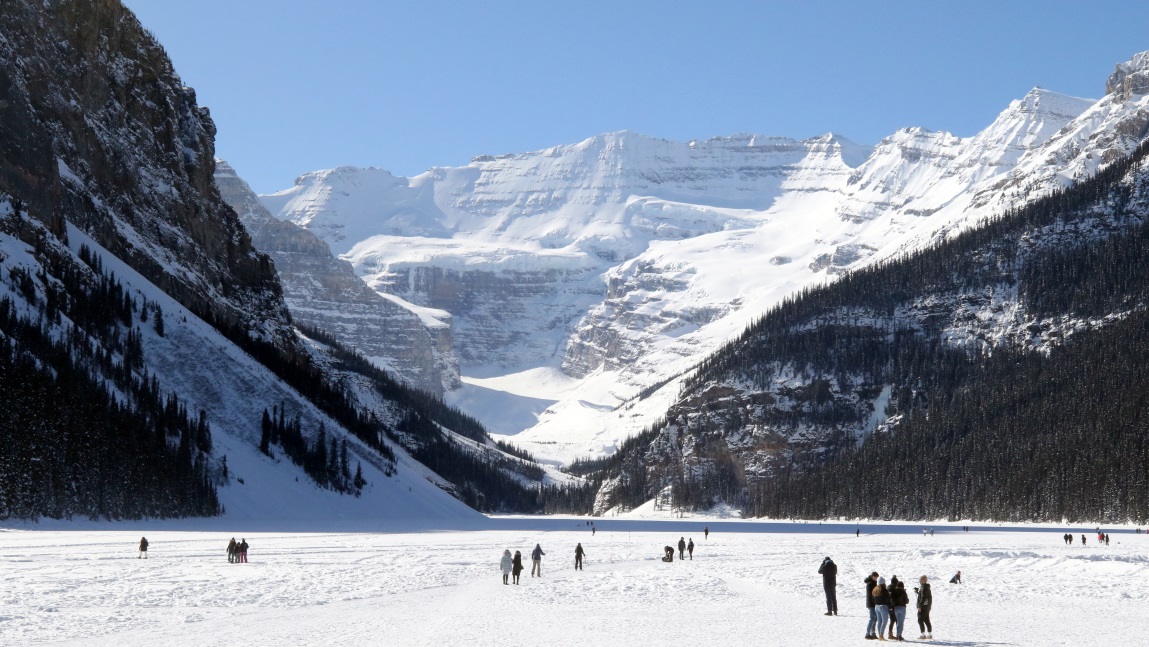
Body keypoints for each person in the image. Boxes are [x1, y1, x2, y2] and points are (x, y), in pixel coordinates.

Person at [915, 575, 932, 640]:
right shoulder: (926, 587)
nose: (919, 581)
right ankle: (929, 634)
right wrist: (918, 592)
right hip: (927, 607)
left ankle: (923, 635)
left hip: (923, 607)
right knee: (927, 620)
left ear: (924, 580)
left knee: (920, 620)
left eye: (920, 580)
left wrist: (920, 606)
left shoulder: (924, 588)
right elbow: (924, 596)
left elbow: (924, 597)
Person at [864, 571, 879, 640]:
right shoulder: (870, 584)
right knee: (872, 618)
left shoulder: (875, 583)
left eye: (877, 577)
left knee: (875, 619)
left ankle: (873, 633)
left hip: (875, 603)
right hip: (871, 603)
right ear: (872, 576)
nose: (876, 578)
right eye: (875, 577)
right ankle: (867, 633)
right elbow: (871, 595)